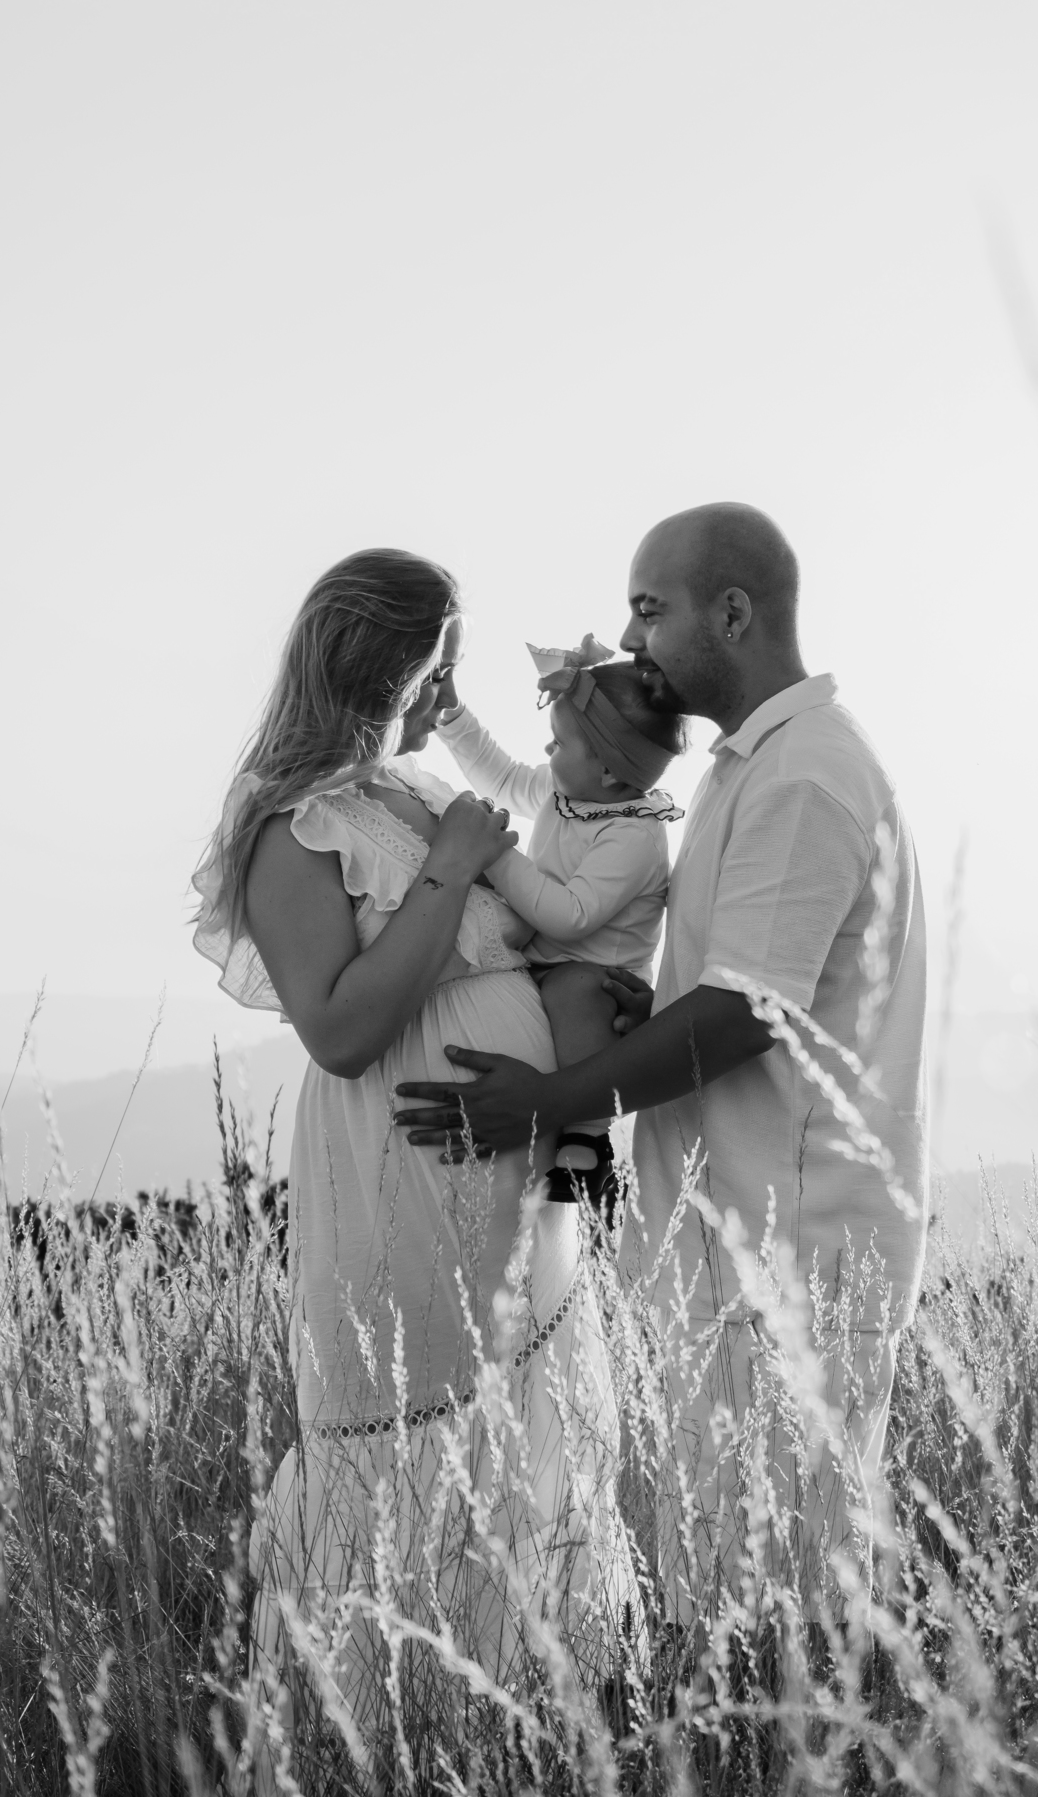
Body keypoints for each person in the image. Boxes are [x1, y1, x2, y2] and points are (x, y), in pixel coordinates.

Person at [395, 503, 928, 1617]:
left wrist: (546, 1102)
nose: (630, 639)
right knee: (717, 1584)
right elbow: (746, 986)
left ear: (731, 612)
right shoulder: (756, 766)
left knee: (778, 1611)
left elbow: (744, 1016)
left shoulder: (800, 778)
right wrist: (652, 1007)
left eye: (650, 609)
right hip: (743, 1236)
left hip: (790, 1251)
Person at [191, 549, 640, 1780]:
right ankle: (388, 1739)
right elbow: (338, 1030)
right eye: (447, 654)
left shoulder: (411, 790)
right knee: (413, 1454)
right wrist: (448, 869)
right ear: (399, 657)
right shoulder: (297, 827)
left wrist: (579, 1139)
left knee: (533, 1463)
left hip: (513, 1187)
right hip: (402, 1192)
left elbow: (563, 949)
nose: (456, 681)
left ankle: (528, 1737)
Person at [436, 636, 686, 1219]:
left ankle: (590, 1140)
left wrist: (493, 855)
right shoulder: (568, 793)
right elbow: (496, 774)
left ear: (609, 769)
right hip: (544, 957)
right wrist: (451, 713)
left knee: (576, 994)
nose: (547, 746)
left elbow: (571, 917)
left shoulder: (634, 835)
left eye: (561, 740)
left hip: (598, 975)